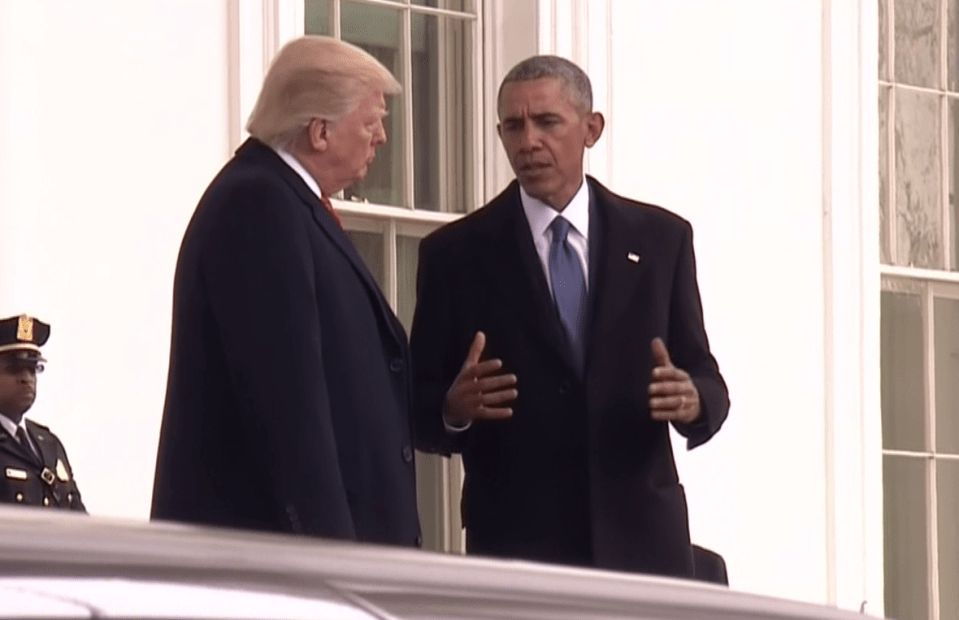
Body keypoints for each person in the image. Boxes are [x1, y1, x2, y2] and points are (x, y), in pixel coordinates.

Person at [410, 55, 729, 578]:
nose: (528, 141)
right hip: (518, 553)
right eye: (513, 126)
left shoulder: (660, 240)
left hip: (643, 549)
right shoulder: (455, 255)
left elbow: (705, 376)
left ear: (591, 129)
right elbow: (417, 408)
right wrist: (453, 407)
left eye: (547, 122)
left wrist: (693, 399)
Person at [151, 36, 421, 547]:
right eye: (370, 123)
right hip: (272, 565)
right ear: (319, 131)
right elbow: (288, 405)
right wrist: (331, 559)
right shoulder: (260, 206)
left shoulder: (283, 202)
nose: (382, 138)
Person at [0, 315, 85, 511]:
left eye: (32, 369)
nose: (27, 379)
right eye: (15, 369)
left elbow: (79, 521)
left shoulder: (49, 444)